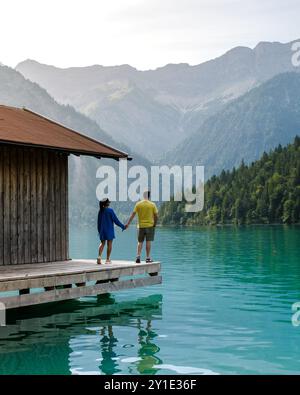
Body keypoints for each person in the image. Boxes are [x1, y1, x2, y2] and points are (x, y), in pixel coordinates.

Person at [126, 191, 158, 263]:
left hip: (140, 226)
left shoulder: (138, 204)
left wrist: (128, 224)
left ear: (143, 196)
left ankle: (138, 257)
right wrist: (155, 224)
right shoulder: (152, 205)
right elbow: (156, 216)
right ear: (149, 196)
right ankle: (147, 258)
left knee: (140, 242)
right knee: (148, 241)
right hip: (150, 226)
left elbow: (133, 215)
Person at [97, 198, 126, 264]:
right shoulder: (110, 211)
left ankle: (99, 257)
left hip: (102, 230)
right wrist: (123, 226)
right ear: (107, 203)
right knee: (109, 244)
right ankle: (107, 260)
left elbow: (98, 223)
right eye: (109, 202)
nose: (109, 203)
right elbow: (116, 221)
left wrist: (99, 231)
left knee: (102, 243)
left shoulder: (100, 211)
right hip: (109, 230)